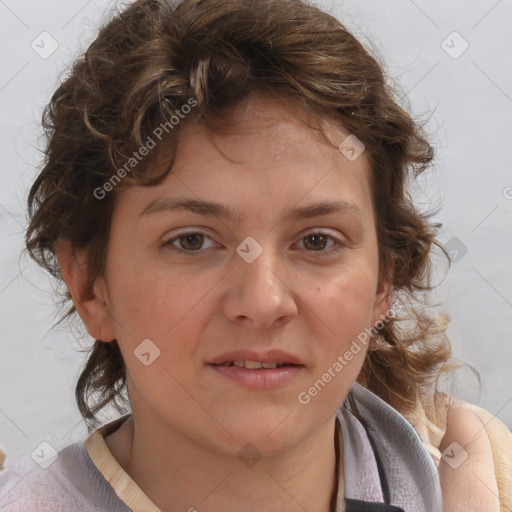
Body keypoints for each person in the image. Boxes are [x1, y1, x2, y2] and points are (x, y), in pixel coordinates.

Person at [0, 0, 510, 510]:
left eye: (317, 241)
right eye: (192, 240)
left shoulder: (480, 479)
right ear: (90, 286)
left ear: (383, 285)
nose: (263, 302)